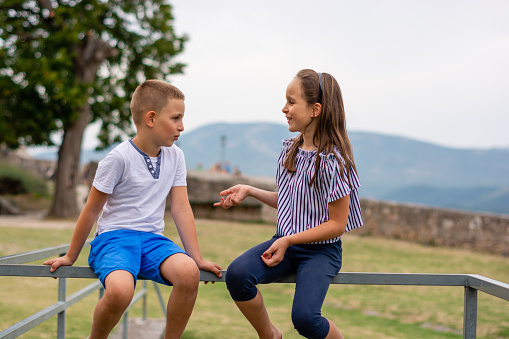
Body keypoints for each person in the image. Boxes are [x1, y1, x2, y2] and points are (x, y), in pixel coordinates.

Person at [44, 80, 223, 339]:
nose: (182, 127)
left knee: (188, 273)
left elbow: (181, 208)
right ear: (151, 118)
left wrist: (197, 257)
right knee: (120, 291)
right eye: (176, 118)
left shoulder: (176, 157)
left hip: (153, 241)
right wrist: (71, 256)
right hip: (114, 240)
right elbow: (91, 210)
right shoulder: (118, 158)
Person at [214, 69, 362, 339]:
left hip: (320, 253)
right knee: (237, 275)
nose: (284, 108)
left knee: (305, 319)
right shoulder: (289, 149)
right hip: (286, 244)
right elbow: (291, 202)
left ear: (315, 109)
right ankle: (269, 334)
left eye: (292, 102)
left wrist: (288, 241)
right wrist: (250, 191)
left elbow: (337, 224)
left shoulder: (334, 161)